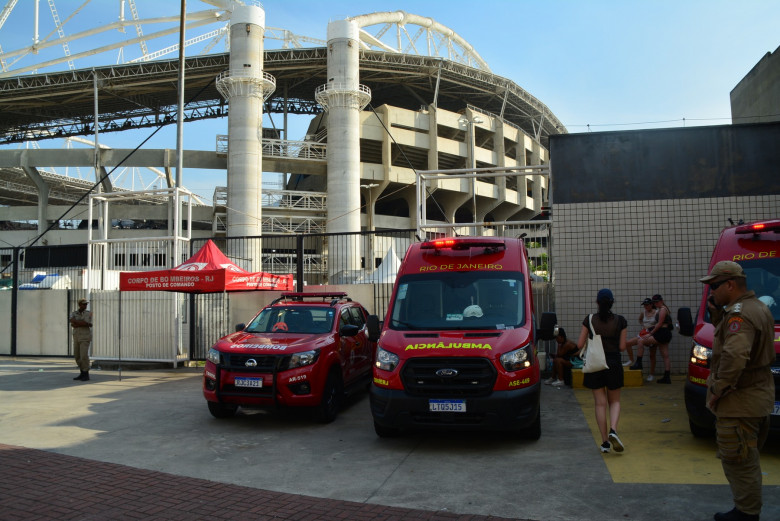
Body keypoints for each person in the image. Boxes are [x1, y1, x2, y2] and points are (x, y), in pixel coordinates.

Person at [701, 261, 775, 521]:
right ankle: (745, 509)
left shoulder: (739, 315)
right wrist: (718, 316)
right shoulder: (757, 308)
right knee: (745, 456)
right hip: (756, 396)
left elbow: (735, 355)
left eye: (714, 286)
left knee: (739, 460)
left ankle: (746, 514)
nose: (711, 291)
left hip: (740, 401)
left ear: (730, 285)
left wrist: (719, 389)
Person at [576, 288, 628, 453]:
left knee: (600, 403)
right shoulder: (621, 321)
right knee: (615, 401)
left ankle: (605, 442)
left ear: (597, 303)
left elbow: (579, 345)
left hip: (595, 364)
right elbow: (621, 347)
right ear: (612, 302)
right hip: (613, 363)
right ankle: (613, 430)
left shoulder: (589, 319)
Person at [631, 294, 673, 383]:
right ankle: (667, 376)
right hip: (665, 333)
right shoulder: (663, 309)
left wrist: (650, 334)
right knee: (665, 355)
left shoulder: (662, 309)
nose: (656, 304)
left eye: (657, 302)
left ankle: (639, 363)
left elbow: (659, 324)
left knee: (641, 341)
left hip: (662, 333)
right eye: (654, 302)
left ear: (661, 301)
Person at [625, 297, 657, 366]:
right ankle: (631, 360)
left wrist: (651, 329)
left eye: (647, 305)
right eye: (644, 305)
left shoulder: (657, 312)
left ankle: (651, 374)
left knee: (652, 355)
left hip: (652, 335)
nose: (645, 306)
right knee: (627, 343)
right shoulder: (643, 312)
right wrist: (643, 326)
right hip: (643, 333)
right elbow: (640, 320)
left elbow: (659, 324)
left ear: (651, 304)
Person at [69, 298, 93, 382]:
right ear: (79, 305)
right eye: (84, 304)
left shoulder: (88, 313)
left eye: (86, 304)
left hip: (85, 337)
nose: (85, 305)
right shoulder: (74, 313)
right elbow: (72, 324)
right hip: (76, 336)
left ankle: (86, 373)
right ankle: (82, 372)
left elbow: (86, 323)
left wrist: (77, 322)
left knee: (83, 356)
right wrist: (80, 323)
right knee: (77, 356)